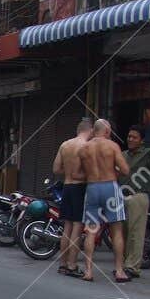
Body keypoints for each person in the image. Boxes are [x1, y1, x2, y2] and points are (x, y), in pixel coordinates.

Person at [80, 117, 130, 282]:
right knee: (116, 230)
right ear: (107, 131)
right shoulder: (112, 146)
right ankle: (119, 270)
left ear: (94, 131)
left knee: (90, 231)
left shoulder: (84, 148)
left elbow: (81, 172)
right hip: (110, 187)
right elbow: (125, 170)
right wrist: (113, 171)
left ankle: (88, 271)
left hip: (92, 188)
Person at [51, 115, 93, 276]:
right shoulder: (86, 146)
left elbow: (56, 169)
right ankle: (72, 265)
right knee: (77, 226)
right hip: (79, 188)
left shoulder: (65, 144)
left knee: (67, 227)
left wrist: (69, 172)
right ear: (90, 130)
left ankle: (62, 263)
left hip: (66, 187)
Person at [122, 126, 150, 279]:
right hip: (122, 196)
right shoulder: (123, 155)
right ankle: (124, 263)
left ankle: (132, 267)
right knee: (123, 232)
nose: (130, 139)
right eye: (129, 136)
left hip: (138, 196)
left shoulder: (148, 153)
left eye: (134, 137)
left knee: (136, 234)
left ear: (141, 141)